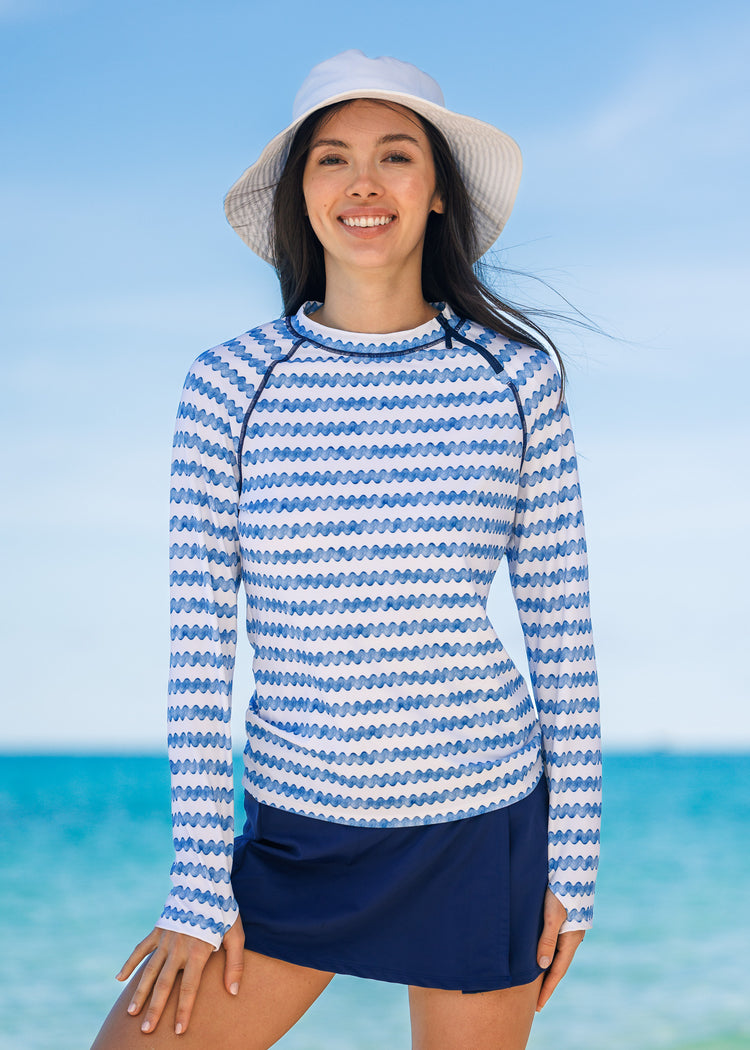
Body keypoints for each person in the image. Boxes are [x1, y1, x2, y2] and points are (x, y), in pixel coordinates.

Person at [91, 49, 601, 1050]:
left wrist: (572, 866)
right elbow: (202, 646)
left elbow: (563, 633)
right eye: (333, 159)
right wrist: (200, 882)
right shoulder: (229, 384)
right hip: (295, 839)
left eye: (396, 156)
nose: (364, 184)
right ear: (303, 194)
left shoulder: (513, 380)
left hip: (479, 829)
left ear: (438, 192)